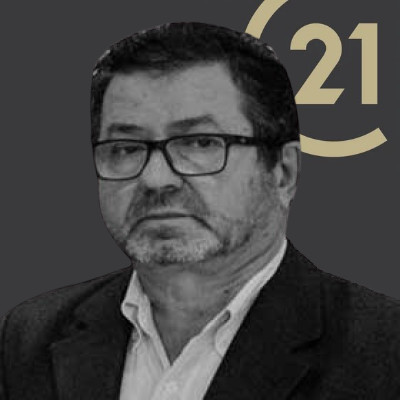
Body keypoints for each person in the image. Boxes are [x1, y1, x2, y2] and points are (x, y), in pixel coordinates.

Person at [1, 22, 399, 400]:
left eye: (200, 143)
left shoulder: (384, 350)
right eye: (125, 149)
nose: (156, 179)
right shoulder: (32, 336)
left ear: (283, 172)